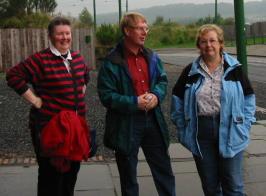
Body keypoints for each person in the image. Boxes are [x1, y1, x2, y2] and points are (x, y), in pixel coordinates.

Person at [6, 17, 90, 196]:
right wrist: (35, 100)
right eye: (60, 34)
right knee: (51, 178)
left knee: (71, 174)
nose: (64, 37)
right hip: (50, 129)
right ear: (51, 36)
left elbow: (86, 78)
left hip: (75, 129)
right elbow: (13, 76)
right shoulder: (40, 60)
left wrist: (77, 97)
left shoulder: (77, 58)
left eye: (67, 33)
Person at [171, 24, 256, 196]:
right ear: (198, 45)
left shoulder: (234, 69)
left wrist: (245, 124)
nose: (208, 45)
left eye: (212, 40)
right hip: (200, 132)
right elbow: (177, 99)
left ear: (220, 44)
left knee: (233, 186)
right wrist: (182, 127)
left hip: (232, 131)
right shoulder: (190, 71)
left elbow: (249, 98)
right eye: (203, 41)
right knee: (210, 187)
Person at [97, 12, 176, 196]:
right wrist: (134, 102)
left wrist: (156, 95)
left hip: (153, 120)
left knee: (164, 171)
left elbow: (162, 81)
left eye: (146, 28)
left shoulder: (152, 57)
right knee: (128, 177)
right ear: (127, 30)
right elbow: (106, 96)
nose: (145, 32)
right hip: (126, 125)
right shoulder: (111, 62)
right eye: (140, 28)